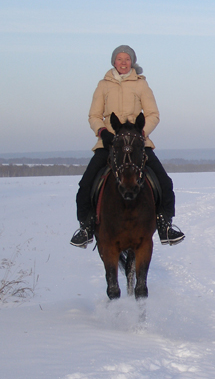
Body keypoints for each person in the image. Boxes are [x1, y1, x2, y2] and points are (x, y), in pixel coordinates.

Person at [70, 45, 185, 248]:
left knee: (164, 182)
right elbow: (94, 115)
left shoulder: (141, 85)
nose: (123, 63)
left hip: (137, 143)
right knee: (86, 185)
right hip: (109, 142)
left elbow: (153, 115)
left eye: (127, 59)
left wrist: (140, 134)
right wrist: (102, 132)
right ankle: (86, 227)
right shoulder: (103, 85)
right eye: (120, 59)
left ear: (132, 62)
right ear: (114, 62)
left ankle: (164, 225)